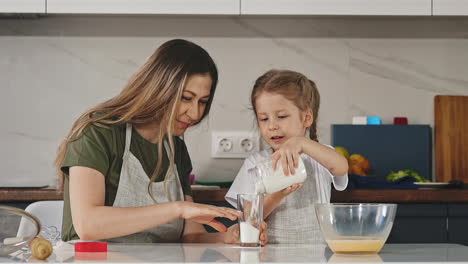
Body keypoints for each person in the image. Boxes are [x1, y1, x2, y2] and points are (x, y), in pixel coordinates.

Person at [55, 39, 267, 244]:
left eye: (202, 102)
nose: (194, 113)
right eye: (186, 98)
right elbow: (88, 224)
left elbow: (191, 234)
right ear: (159, 87)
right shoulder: (98, 131)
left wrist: (226, 237)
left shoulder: (175, 147)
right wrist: (178, 208)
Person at [225, 69, 349, 244]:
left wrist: (302, 143)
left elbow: (342, 166)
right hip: (271, 254)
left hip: (317, 253)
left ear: (306, 118)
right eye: (264, 119)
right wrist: (277, 194)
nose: (272, 126)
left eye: (281, 116)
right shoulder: (255, 164)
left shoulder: (318, 156)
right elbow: (248, 216)